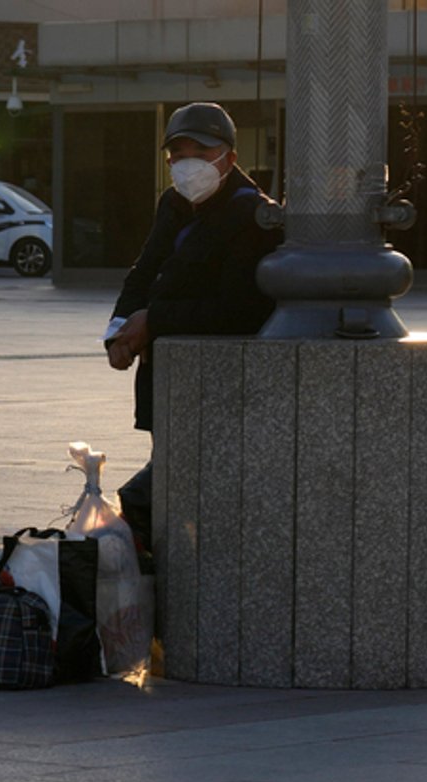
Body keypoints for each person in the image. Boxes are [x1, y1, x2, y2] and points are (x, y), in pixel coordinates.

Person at [104, 102, 281, 551]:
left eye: (199, 154)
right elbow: (144, 272)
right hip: (166, 379)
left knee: (177, 492)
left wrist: (155, 320)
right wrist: (120, 329)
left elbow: (240, 310)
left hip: (218, 387)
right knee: (166, 477)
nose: (186, 166)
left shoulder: (255, 217)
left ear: (229, 158)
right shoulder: (174, 203)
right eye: (177, 156)